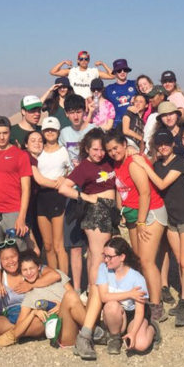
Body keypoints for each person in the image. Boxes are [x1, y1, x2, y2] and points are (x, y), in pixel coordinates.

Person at [132, 129, 184, 326]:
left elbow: (161, 184)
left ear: (173, 144)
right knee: (179, 260)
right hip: (171, 218)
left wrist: (144, 166)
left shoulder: (179, 162)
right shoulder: (158, 164)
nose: (163, 147)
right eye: (159, 144)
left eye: (166, 143)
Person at [105, 130, 167, 321]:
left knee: (147, 261)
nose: (113, 152)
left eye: (116, 148)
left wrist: (141, 222)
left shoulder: (133, 162)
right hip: (133, 215)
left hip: (149, 213)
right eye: (110, 150)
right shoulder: (119, 163)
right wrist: (121, 210)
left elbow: (145, 193)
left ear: (125, 145)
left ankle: (157, 305)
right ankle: (147, 299)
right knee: (139, 259)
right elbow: (121, 189)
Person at [57, 128, 118, 286]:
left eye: (102, 149)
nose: (99, 153)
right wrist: (86, 197)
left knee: (93, 254)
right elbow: (63, 188)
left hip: (108, 210)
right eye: (95, 150)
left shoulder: (107, 162)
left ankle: (92, 291)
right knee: (99, 255)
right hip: (96, 212)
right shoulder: (84, 167)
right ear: (87, 149)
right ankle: (95, 296)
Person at [97, 237, 158, 354]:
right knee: (111, 305)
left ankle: (153, 330)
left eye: (109, 257)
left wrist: (133, 333)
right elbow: (104, 297)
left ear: (122, 257)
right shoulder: (103, 269)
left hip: (133, 315)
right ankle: (115, 337)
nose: (105, 260)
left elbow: (140, 311)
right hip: (114, 314)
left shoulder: (137, 278)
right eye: (104, 255)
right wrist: (130, 294)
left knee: (140, 345)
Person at [58, 94, 95, 285]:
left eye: (79, 111)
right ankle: (78, 288)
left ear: (84, 111)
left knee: (92, 245)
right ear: (66, 114)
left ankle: (92, 287)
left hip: (92, 190)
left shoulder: (93, 130)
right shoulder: (63, 133)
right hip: (72, 192)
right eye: (71, 112)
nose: (75, 116)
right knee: (75, 247)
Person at [0, 116, 33, 245]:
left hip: (13, 211)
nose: (2, 137)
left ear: (10, 132)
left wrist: (21, 217)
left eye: (5, 133)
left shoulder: (21, 155)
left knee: (17, 251)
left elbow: (26, 188)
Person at [28, 122, 70, 273]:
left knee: (59, 245)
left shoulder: (64, 151)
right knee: (48, 245)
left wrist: (65, 179)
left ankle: (65, 282)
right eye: (47, 129)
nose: (50, 132)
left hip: (57, 198)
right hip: (41, 199)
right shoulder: (38, 152)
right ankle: (54, 280)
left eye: (53, 129)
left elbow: (71, 171)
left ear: (58, 131)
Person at [49, 51, 114, 99]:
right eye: (81, 59)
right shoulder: (72, 71)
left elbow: (112, 76)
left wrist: (103, 64)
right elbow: (53, 72)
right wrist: (63, 62)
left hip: (89, 102)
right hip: (74, 102)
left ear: (88, 61)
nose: (83, 61)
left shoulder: (94, 71)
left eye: (86, 59)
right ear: (78, 61)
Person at [103, 59, 137, 126]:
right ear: (115, 73)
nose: (122, 72)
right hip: (116, 125)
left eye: (125, 70)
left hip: (133, 123)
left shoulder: (135, 84)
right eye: (119, 70)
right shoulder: (109, 89)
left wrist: (137, 98)